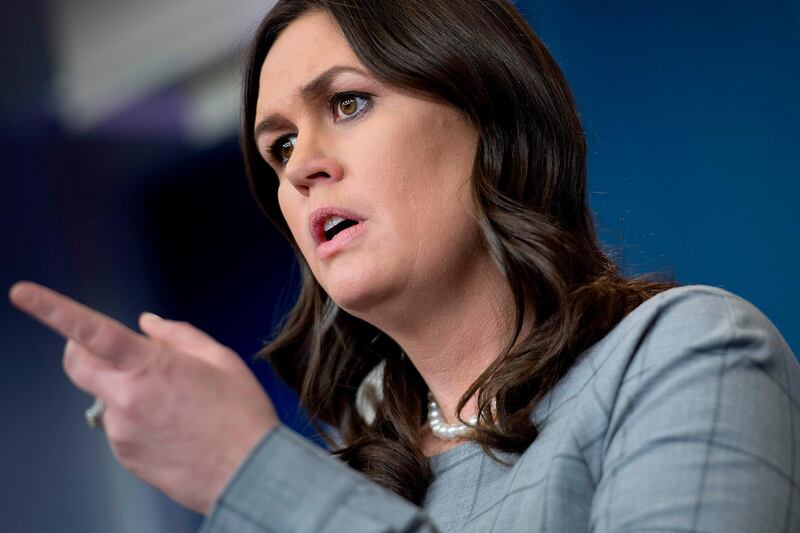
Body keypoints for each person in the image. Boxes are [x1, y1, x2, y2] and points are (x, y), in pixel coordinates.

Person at [9, 1, 799, 531]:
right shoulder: (346, 469)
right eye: (278, 146)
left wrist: (248, 470)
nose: (301, 167)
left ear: (488, 113)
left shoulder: (690, 353)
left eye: (347, 103)